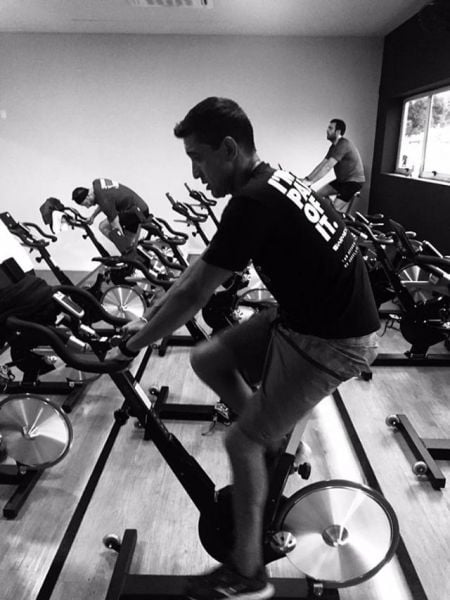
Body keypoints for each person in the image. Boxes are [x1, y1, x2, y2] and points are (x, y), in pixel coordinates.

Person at [109, 97, 380, 600]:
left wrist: (131, 345)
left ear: (229, 149)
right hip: (307, 316)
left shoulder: (254, 200)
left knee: (241, 442)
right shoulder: (271, 181)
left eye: (198, 158)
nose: (195, 173)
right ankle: (273, 440)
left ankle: (248, 573)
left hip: (335, 339)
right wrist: (146, 320)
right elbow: (201, 270)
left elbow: (196, 293)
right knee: (208, 358)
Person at [72, 178, 150, 253]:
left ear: (88, 196)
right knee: (127, 240)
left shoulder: (103, 200)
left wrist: (123, 247)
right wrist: (93, 216)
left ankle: (131, 253)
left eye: (86, 204)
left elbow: (116, 225)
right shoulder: (97, 183)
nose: (87, 207)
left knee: (104, 227)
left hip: (136, 212)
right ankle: (134, 248)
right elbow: (105, 200)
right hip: (140, 207)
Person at [303, 119, 365, 212]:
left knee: (334, 211)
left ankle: (336, 213)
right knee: (318, 196)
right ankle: (330, 207)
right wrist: (307, 179)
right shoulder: (333, 147)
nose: (327, 130)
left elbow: (327, 167)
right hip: (342, 181)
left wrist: (311, 182)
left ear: (338, 132)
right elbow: (322, 164)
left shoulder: (343, 144)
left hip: (353, 183)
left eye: (330, 128)